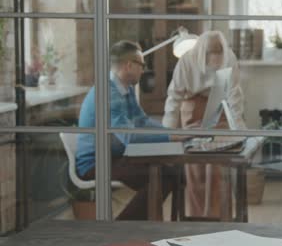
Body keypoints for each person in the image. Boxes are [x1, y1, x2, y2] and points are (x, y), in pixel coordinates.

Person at [76, 40, 179, 220]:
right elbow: (129, 137)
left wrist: (174, 134)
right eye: (142, 65)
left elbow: (142, 121)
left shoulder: (125, 89)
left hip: (114, 156)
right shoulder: (109, 93)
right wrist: (171, 136)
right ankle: (122, 228)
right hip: (96, 163)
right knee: (161, 178)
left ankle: (150, 227)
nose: (144, 70)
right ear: (129, 65)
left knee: (171, 173)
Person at [163, 31, 246, 219]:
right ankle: (198, 220)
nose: (216, 60)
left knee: (220, 165)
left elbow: (235, 96)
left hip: (220, 106)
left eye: (219, 55)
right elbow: (174, 98)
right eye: (212, 56)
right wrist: (167, 134)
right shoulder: (186, 61)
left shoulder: (229, 57)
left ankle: (221, 220)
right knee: (196, 167)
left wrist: (240, 130)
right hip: (192, 107)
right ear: (203, 54)